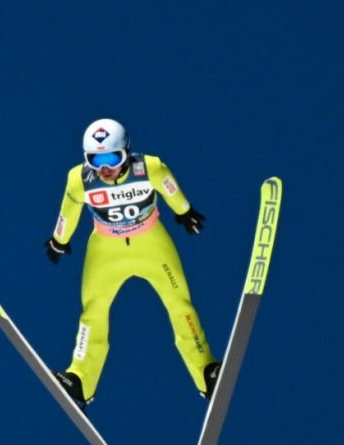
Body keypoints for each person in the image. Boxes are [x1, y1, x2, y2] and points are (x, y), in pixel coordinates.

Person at [45, 118, 220, 413]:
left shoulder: (149, 167)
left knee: (180, 304)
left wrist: (185, 211)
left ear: (127, 151)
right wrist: (58, 240)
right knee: (93, 310)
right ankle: (80, 379)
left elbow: (170, 187)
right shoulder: (79, 179)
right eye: (95, 160)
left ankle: (205, 370)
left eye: (113, 158)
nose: (105, 167)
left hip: (151, 243)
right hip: (106, 249)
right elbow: (68, 209)